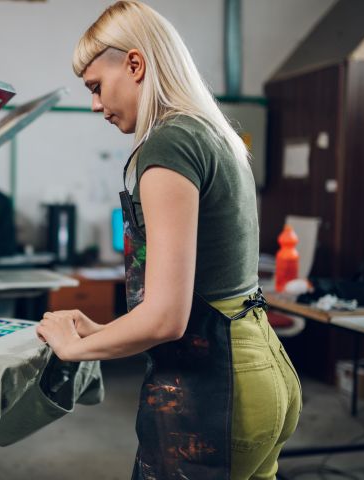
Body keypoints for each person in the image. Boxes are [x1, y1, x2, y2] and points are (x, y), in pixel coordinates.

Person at [36, 2, 302, 479]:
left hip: (219, 387)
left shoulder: (167, 145)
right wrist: (101, 331)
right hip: (264, 368)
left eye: (96, 87)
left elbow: (166, 319)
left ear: (135, 64)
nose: (95, 104)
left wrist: (74, 349)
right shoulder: (215, 134)